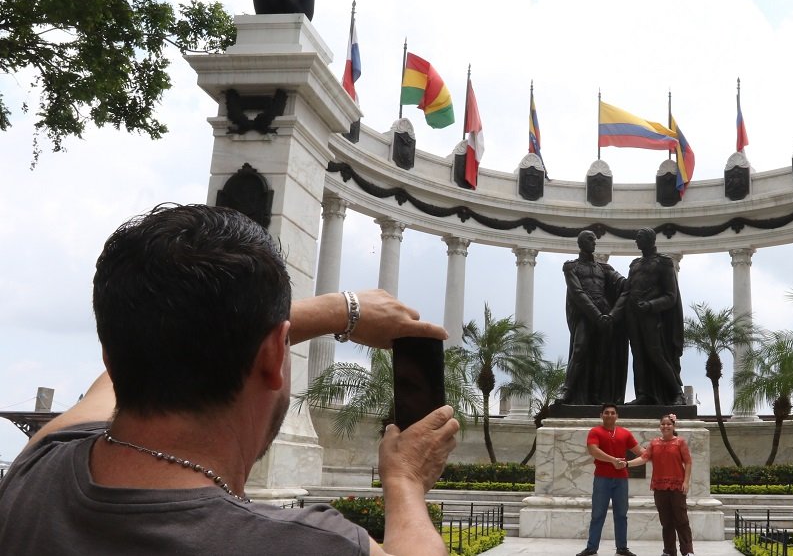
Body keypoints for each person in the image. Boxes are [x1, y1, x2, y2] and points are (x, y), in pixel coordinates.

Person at [0, 204, 458, 556]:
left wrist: (332, 310)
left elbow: (122, 366)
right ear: (277, 353)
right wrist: (405, 482)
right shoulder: (309, 545)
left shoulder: (35, 475)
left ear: (109, 350)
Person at [561, 230, 627, 404]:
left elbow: (622, 283)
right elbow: (577, 293)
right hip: (586, 315)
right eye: (590, 239)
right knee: (579, 349)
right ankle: (567, 391)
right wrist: (596, 315)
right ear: (581, 242)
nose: (594, 243)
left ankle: (597, 395)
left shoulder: (603, 268)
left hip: (604, 315)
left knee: (602, 355)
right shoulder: (571, 267)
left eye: (595, 240)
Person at [621, 228, 685, 405]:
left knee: (656, 354)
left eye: (639, 237)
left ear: (650, 239)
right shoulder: (634, 264)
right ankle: (644, 394)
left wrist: (650, 305)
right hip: (633, 316)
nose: (636, 241)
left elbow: (671, 296)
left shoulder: (664, 262)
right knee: (638, 355)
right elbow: (626, 291)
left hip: (652, 317)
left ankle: (677, 393)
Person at [578, 403, 643, 556]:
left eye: (612, 413)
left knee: (621, 514)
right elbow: (594, 450)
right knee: (598, 513)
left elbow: (640, 451)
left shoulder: (625, 433)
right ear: (601, 415)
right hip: (602, 478)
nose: (609, 415)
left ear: (617, 416)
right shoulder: (595, 431)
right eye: (606, 412)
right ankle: (591, 548)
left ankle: (622, 548)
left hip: (621, 479)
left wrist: (657, 449)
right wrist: (613, 460)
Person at [627, 414, 694, 556]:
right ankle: (669, 551)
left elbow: (688, 462)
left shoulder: (680, 442)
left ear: (673, 426)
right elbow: (643, 458)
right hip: (659, 487)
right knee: (666, 521)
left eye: (668, 424)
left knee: (681, 519)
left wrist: (686, 482)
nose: (665, 426)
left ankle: (687, 551)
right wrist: (627, 464)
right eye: (663, 424)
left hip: (677, 486)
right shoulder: (654, 443)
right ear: (660, 426)